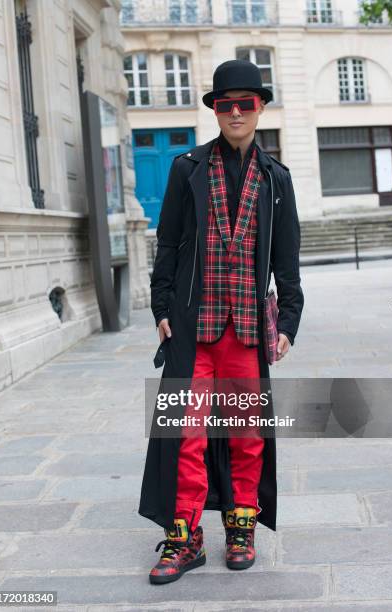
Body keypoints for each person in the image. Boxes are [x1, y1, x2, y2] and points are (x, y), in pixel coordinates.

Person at [139, 59, 304, 585]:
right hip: (193, 329)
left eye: (246, 104)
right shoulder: (186, 168)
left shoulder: (277, 179)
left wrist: (289, 322)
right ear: (215, 110)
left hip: (249, 331)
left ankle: (242, 526)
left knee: (246, 434)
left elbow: (287, 261)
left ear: (260, 109)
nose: (236, 112)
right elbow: (167, 243)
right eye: (226, 104)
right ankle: (184, 538)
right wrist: (161, 308)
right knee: (184, 434)